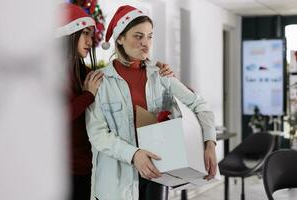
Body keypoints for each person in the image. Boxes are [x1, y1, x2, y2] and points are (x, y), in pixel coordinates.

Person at [86, 5, 217, 200]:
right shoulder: (100, 81)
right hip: (115, 185)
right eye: (138, 36)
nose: (146, 43)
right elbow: (97, 133)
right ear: (120, 38)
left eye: (150, 36)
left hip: (158, 175)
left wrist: (210, 142)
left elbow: (200, 105)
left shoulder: (161, 76)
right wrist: (134, 154)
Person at [56, 3, 175, 200]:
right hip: (61, 167)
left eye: (91, 35)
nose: (89, 41)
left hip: (86, 166)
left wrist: (162, 72)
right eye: (84, 34)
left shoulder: (87, 74)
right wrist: (88, 96)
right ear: (69, 35)